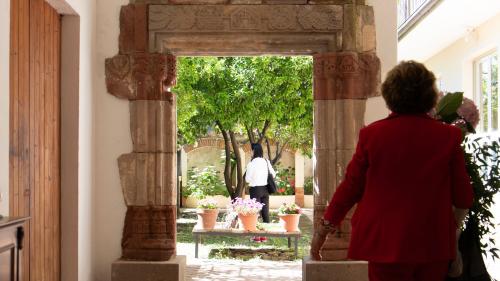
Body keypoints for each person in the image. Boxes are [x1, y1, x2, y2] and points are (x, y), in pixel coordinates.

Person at [310, 61, 474, 281]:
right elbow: (463, 196)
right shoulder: (448, 136)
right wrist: (452, 234)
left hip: (384, 242)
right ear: (430, 95)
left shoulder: (372, 135)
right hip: (433, 242)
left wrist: (323, 229)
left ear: (390, 94)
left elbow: (351, 187)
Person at [245, 143, 276, 242]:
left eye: (251, 150)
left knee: (255, 213)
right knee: (265, 213)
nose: (250, 152)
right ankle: (264, 236)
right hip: (265, 190)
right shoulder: (266, 161)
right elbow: (273, 174)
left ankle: (256, 236)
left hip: (255, 190)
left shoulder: (251, 163)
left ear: (254, 151)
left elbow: (247, 179)